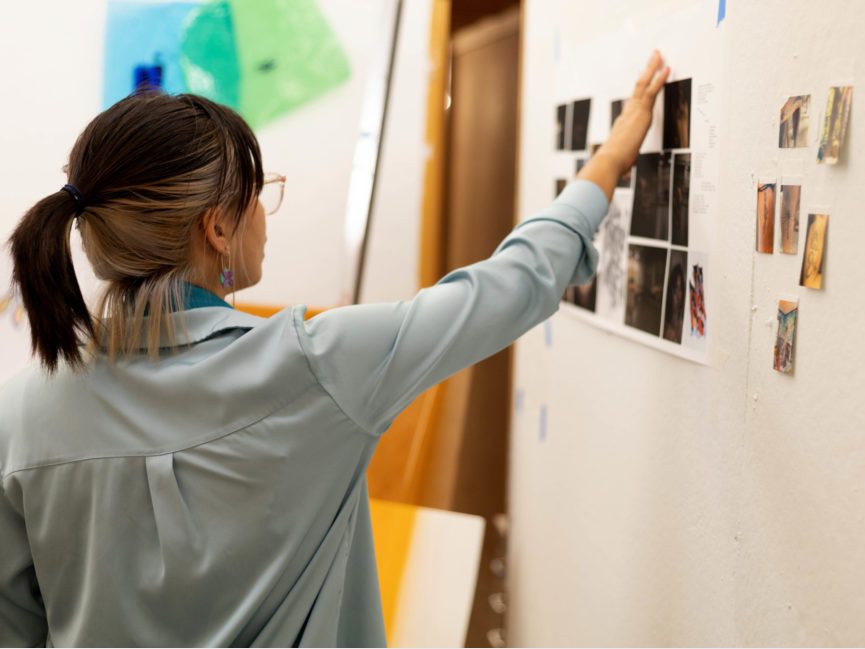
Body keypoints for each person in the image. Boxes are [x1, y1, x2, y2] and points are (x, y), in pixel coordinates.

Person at [0, 52, 669, 646]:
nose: (265, 213)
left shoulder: (21, 413)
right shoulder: (317, 365)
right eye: (259, 195)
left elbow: (15, 624)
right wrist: (608, 160)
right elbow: (512, 284)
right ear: (217, 227)